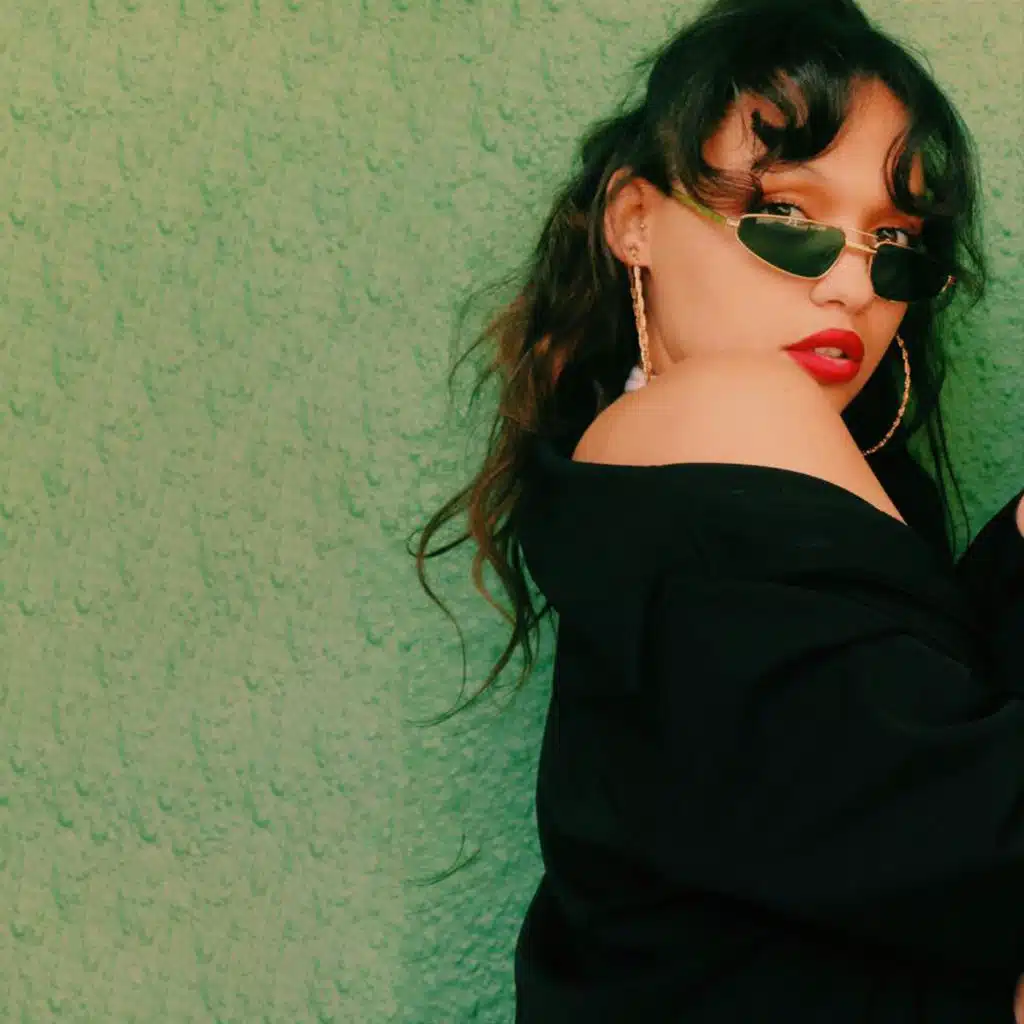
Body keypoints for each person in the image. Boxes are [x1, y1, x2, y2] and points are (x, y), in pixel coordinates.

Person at [412, 0, 1024, 1018]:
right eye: (786, 217)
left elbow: (896, 782)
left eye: (893, 241)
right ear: (635, 220)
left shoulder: (677, 483)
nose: (852, 284)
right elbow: (977, 841)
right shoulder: (728, 410)